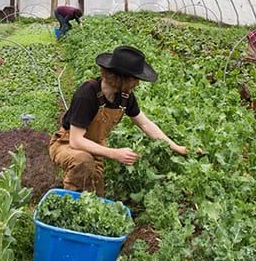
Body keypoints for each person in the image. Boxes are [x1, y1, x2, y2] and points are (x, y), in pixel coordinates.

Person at [49, 45, 187, 195]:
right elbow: (76, 141)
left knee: (94, 191)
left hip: (96, 147)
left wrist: (176, 147)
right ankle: (69, 199)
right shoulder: (87, 94)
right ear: (120, 78)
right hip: (66, 144)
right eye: (134, 79)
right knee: (83, 162)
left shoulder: (125, 97)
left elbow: (145, 124)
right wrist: (114, 153)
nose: (137, 84)